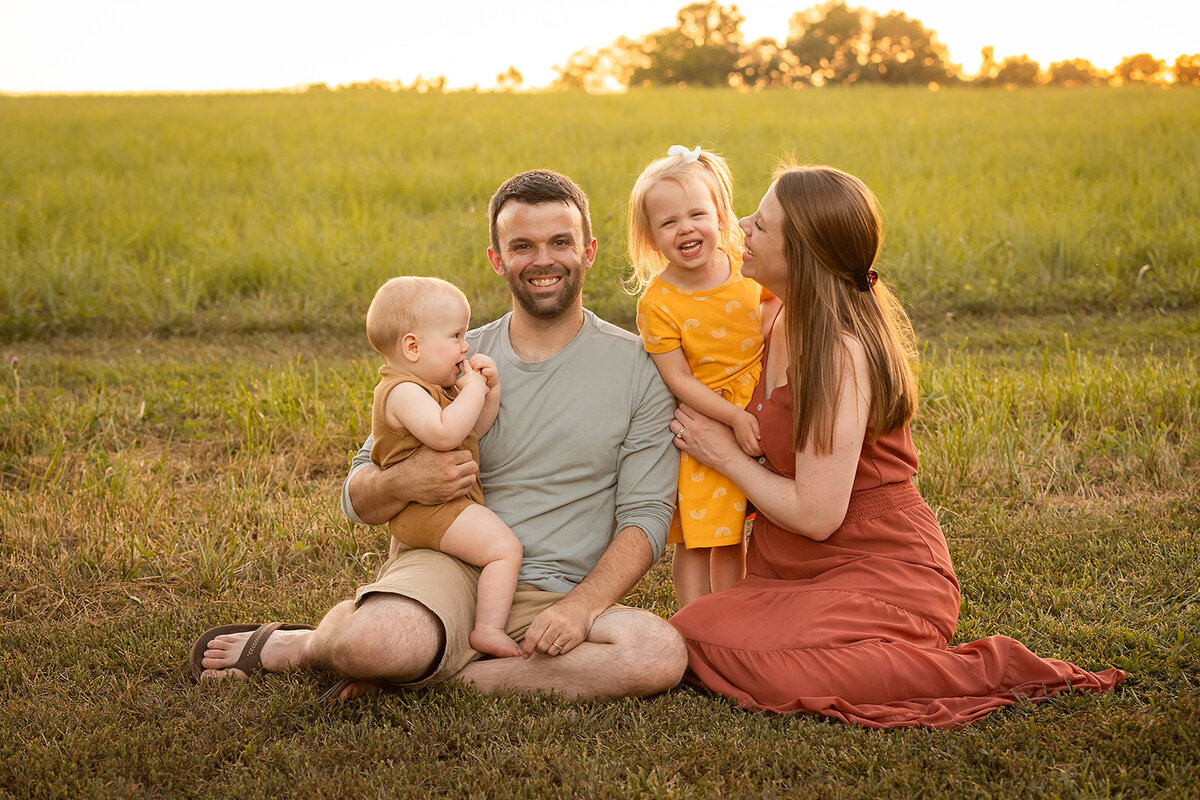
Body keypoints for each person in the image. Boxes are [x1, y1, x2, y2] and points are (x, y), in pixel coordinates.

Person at [193, 169, 687, 701]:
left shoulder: (640, 366)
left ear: (587, 251)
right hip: (446, 569)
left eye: (559, 242)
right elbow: (358, 493)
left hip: (558, 594)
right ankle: (303, 645)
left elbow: (647, 515)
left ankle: (430, 676)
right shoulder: (448, 356)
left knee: (658, 654)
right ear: (498, 259)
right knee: (372, 645)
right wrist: (405, 480)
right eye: (522, 245)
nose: (543, 259)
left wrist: (582, 606)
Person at [667, 164, 1125, 728]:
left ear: (803, 255)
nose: (740, 227)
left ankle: (979, 669)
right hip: (788, 570)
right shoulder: (775, 311)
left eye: (761, 226)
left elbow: (817, 514)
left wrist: (726, 457)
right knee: (695, 632)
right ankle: (829, 650)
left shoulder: (836, 351)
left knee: (706, 642)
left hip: (880, 568)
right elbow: (689, 324)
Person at [627, 145, 763, 607]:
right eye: (668, 223)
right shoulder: (658, 302)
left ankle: (734, 615)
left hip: (761, 406)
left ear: (721, 216)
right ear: (651, 238)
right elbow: (679, 380)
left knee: (742, 527)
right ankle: (694, 620)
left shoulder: (748, 266)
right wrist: (732, 418)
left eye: (696, 214)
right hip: (704, 417)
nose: (685, 228)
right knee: (703, 533)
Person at [364, 275, 521, 658]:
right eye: (455, 336)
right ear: (413, 347)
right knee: (505, 549)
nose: (465, 346)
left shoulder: (430, 389)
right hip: (434, 510)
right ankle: (488, 628)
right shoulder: (402, 392)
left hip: (429, 511)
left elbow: (472, 432)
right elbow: (445, 434)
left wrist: (490, 391)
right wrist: (473, 390)